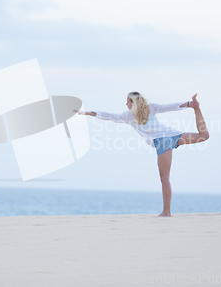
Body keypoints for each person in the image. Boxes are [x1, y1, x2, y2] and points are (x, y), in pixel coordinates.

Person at [72, 92, 210, 217]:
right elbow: (169, 107)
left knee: (165, 178)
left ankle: (166, 212)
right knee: (204, 135)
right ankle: (197, 109)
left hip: (163, 142)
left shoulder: (129, 115)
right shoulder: (149, 108)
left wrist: (86, 113)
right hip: (173, 136)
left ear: (133, 102)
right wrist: (189, 105)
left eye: (127, 101)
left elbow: (109, 116)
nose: (126, 104)